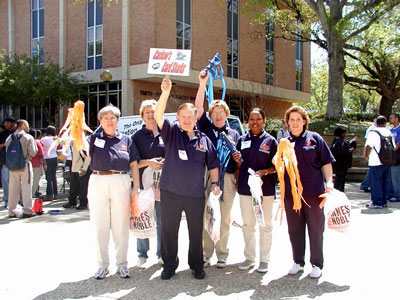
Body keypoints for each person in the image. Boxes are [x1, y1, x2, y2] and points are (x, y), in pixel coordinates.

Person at [154, 76, 220, 280]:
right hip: (170, 192)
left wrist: (216, 183)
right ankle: (169, 265)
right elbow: (158, 115)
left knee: (195, 232)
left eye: (190, 116)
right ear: (178, 118)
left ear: (195, 117)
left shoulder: (204, 139)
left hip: (194, 195)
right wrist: (165, 93)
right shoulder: (172, 133)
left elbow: (214, 164)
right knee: (169, 231)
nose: (186, 119)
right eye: (182, 116)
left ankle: (196, 265)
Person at [280, 106, 334, 279]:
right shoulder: (284, 143)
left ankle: (317, 263)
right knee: (294, 229)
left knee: (316, 229)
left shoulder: (315, 139)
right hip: (291, 195)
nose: (295, 123)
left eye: (298, 119)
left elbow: (326, 162)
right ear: (287, 122)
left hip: (314, 193)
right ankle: (298, 261)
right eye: (291, 119)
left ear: (304, 121)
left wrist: (329, 181)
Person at [88, 105, 140, 279]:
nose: (109, 121)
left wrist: (136, 188)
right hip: (98, 181)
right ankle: (102, 265)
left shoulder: (126, 140)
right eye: (105, 118)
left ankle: (122, 264)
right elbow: (81, 152)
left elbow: (133, 164)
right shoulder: (93, 139)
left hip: (121, 181)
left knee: (121, 225)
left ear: (118, 121)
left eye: (113, 118)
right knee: (100, 225)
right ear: (100, 121)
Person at [194, 71, 240, 268]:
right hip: (207, 175)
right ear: (211, 115)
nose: (218, 115)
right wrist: (202, 84)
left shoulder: (234, 133)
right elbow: (197, 107)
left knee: (225, 216)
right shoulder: (205, 128)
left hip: (227, 178)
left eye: (221, 112)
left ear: (226, 114)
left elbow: (239, 159)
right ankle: (207, 253)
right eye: (215, 113)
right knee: (207, 214)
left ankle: (222, 253)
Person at [232, 108, 277, 273]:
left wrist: (265, 172)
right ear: (248, 121)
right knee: (248, 224)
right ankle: (249, 258)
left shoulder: (271, 141)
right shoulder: (242, 139)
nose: (255, 122)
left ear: (263, 120)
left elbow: (277, 166)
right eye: (251, 119)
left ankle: (264, 259)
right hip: (245, 188)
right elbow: (239, 165)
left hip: (265, 189)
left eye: (258, 119)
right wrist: (237, 162)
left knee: (265, 224)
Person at [132, 99, 165, 267]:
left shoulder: (166, 133)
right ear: (142, 116)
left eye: (154, 112)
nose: (151, 115)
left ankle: (161, 254)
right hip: (144, 184)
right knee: (144, 217)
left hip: (164, 184)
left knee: (161, 220)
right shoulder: (137, 137)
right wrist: (149, 162)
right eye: (147, 112)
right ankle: (142, 253)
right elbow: (133, 163)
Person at [6, 120, 38, 218]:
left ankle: (11, 210)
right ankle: (27, 210)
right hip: (25, 165)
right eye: (27, 125)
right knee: (26, 187)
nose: (28, 127)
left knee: (13, 188)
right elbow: (33, 152)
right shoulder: (28, 137)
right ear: (23, 125)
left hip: (12, 167)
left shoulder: (9, 138)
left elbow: (7, 151)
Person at [364, 115, 394, 209]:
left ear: (376, 122)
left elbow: (369, 146)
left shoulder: (374, 132)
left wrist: (366, 156)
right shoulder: (388, 132)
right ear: (385, 123)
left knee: (376, 181)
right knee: (385, 181)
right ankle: (383, 201)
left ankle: (377, 202)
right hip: (387, 160)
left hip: (376, 161)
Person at [63, 140, 91, 210]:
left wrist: (84, 168)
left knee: (83, 187)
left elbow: (88, 156)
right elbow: (65, 141)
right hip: (74, 167)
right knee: (73, 186)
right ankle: (72, 202)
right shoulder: (74, 141)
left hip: (82, 168)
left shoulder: (84, 142)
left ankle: (83, 203)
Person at [331, 127, 357, 192]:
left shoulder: (336, 141)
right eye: (344, 133)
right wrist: (351, 150)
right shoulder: (339, 142)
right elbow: (342, 153)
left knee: (340, 178)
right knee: (340, 179)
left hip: (339, 163)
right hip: (341, 163)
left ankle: (339, 191)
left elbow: (347, 143)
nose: (345, 134)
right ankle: (338, 192)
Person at [360, 113, 380, 192]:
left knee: (373, 170)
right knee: (372, 169)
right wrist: (366, 154)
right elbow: (368, 143)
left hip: (377, 153)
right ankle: (365, 184)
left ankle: (366, 184)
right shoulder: (371, 129)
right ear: (374, 119)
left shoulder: (378, 128)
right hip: (373, 153)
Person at [0, 117, 17, 208]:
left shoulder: (17, 134)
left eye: (8, 123)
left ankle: (18, 200)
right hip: (5, 161)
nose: (6, 124)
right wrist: (4, 145)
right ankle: (7, 200)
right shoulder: (2, 134)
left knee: (17, 182)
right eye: (5, 123)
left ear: (13, 123)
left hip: (17, 161)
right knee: (6, 181)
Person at [40, 126, 59, 200]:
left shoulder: (43, 139)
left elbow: (41, 149)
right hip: (54, 157)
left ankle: (49, 194)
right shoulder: (56, 139)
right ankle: (55, 193)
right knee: (54, 176)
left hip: (46, 159)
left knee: (48, 177)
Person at [29, 129, 47, 198]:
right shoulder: (37, 142)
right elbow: (41, 155)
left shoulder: (23, 141)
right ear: (35, 135)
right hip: (36, 164)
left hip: (26, 163)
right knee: (35, 181)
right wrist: (45, 164)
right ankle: (31, 195)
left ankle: (23, 197)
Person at [389, 113, 400, 202]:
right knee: (392, 176)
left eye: (391, 118)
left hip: (397, 156)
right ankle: (392, 193)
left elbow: (398, 143)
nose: (390, 120)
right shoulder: (391, 130)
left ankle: (397, 195)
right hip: (391, 156)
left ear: (396, 119)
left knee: (396, 176)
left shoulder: (399, 129)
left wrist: (395, 148)